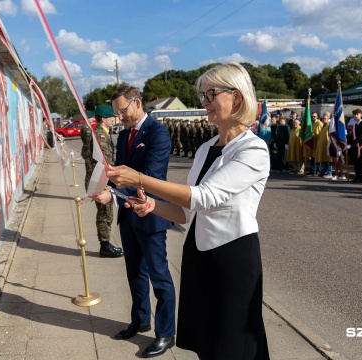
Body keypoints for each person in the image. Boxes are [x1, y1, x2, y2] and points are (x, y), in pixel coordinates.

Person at [105, 63, 270, 360]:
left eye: (211, 94)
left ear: (237, 97)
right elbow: (187, 213)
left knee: (234, 345)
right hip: (199, 254)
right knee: (207, 342)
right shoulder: (207, 147)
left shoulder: (253, 149)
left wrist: (139, 178)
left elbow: (205, 197)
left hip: (232, 258)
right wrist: (154, 205)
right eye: (203, 96)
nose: (204, 102)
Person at [91, 85, 176, 358]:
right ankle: (140, 319)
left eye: (122, 111)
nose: (120, 116)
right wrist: (105, 184)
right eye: (116, 113)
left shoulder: (158, 133)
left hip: (150, 215)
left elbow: (152, 175)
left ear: (137, 104)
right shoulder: (124, 134)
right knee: (135, 273)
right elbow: (119, 171)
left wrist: (114, 192)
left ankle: (165, 333)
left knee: (159, 277)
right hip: (128, 215)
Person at [82, 105, 124, 257]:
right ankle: (105, 246)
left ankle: (105, 244)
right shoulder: (101, 136)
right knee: (105, 214)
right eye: (111, 117)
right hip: (101, 180)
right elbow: (105, 163)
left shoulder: (100, 133)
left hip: (99, 178)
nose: (114, 119)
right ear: (104, 119)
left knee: (105, 213)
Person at [348, 109, 362, 183]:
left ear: (361, 115)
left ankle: (360, 177)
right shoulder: (355, 125)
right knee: (355, 162)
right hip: (355, 146)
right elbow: (352, 136)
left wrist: (352, 144)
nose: (355, 116)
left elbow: (360, 136)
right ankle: (356, 176)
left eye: (357, 114)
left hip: (360, 146)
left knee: (359, 163)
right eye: (354, 114)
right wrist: (349, 143)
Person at [314, 112, 333, 178]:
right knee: (324, 160)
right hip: (322, 146)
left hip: (327, 145)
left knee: (328, 160)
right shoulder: (323, 126)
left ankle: (329, 173)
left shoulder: (329, 126)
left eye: (325, 118)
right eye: (323, 118)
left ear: (328, 118)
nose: (324, 120)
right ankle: (325, 172)